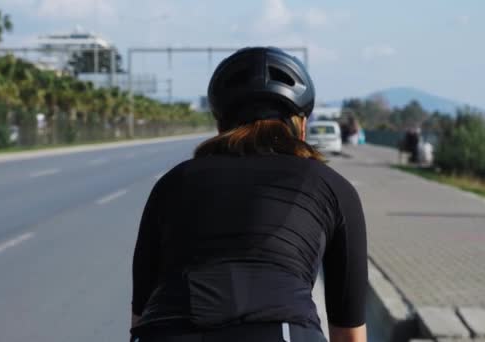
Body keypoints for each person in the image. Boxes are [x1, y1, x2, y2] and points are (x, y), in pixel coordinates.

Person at [131, 47, 367, 342]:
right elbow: (349, 333)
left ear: (219, 127)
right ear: (302, 127)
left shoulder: (173, 182)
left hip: (165, 330)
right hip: (283, 330)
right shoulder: (333, 187)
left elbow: (140, 312)